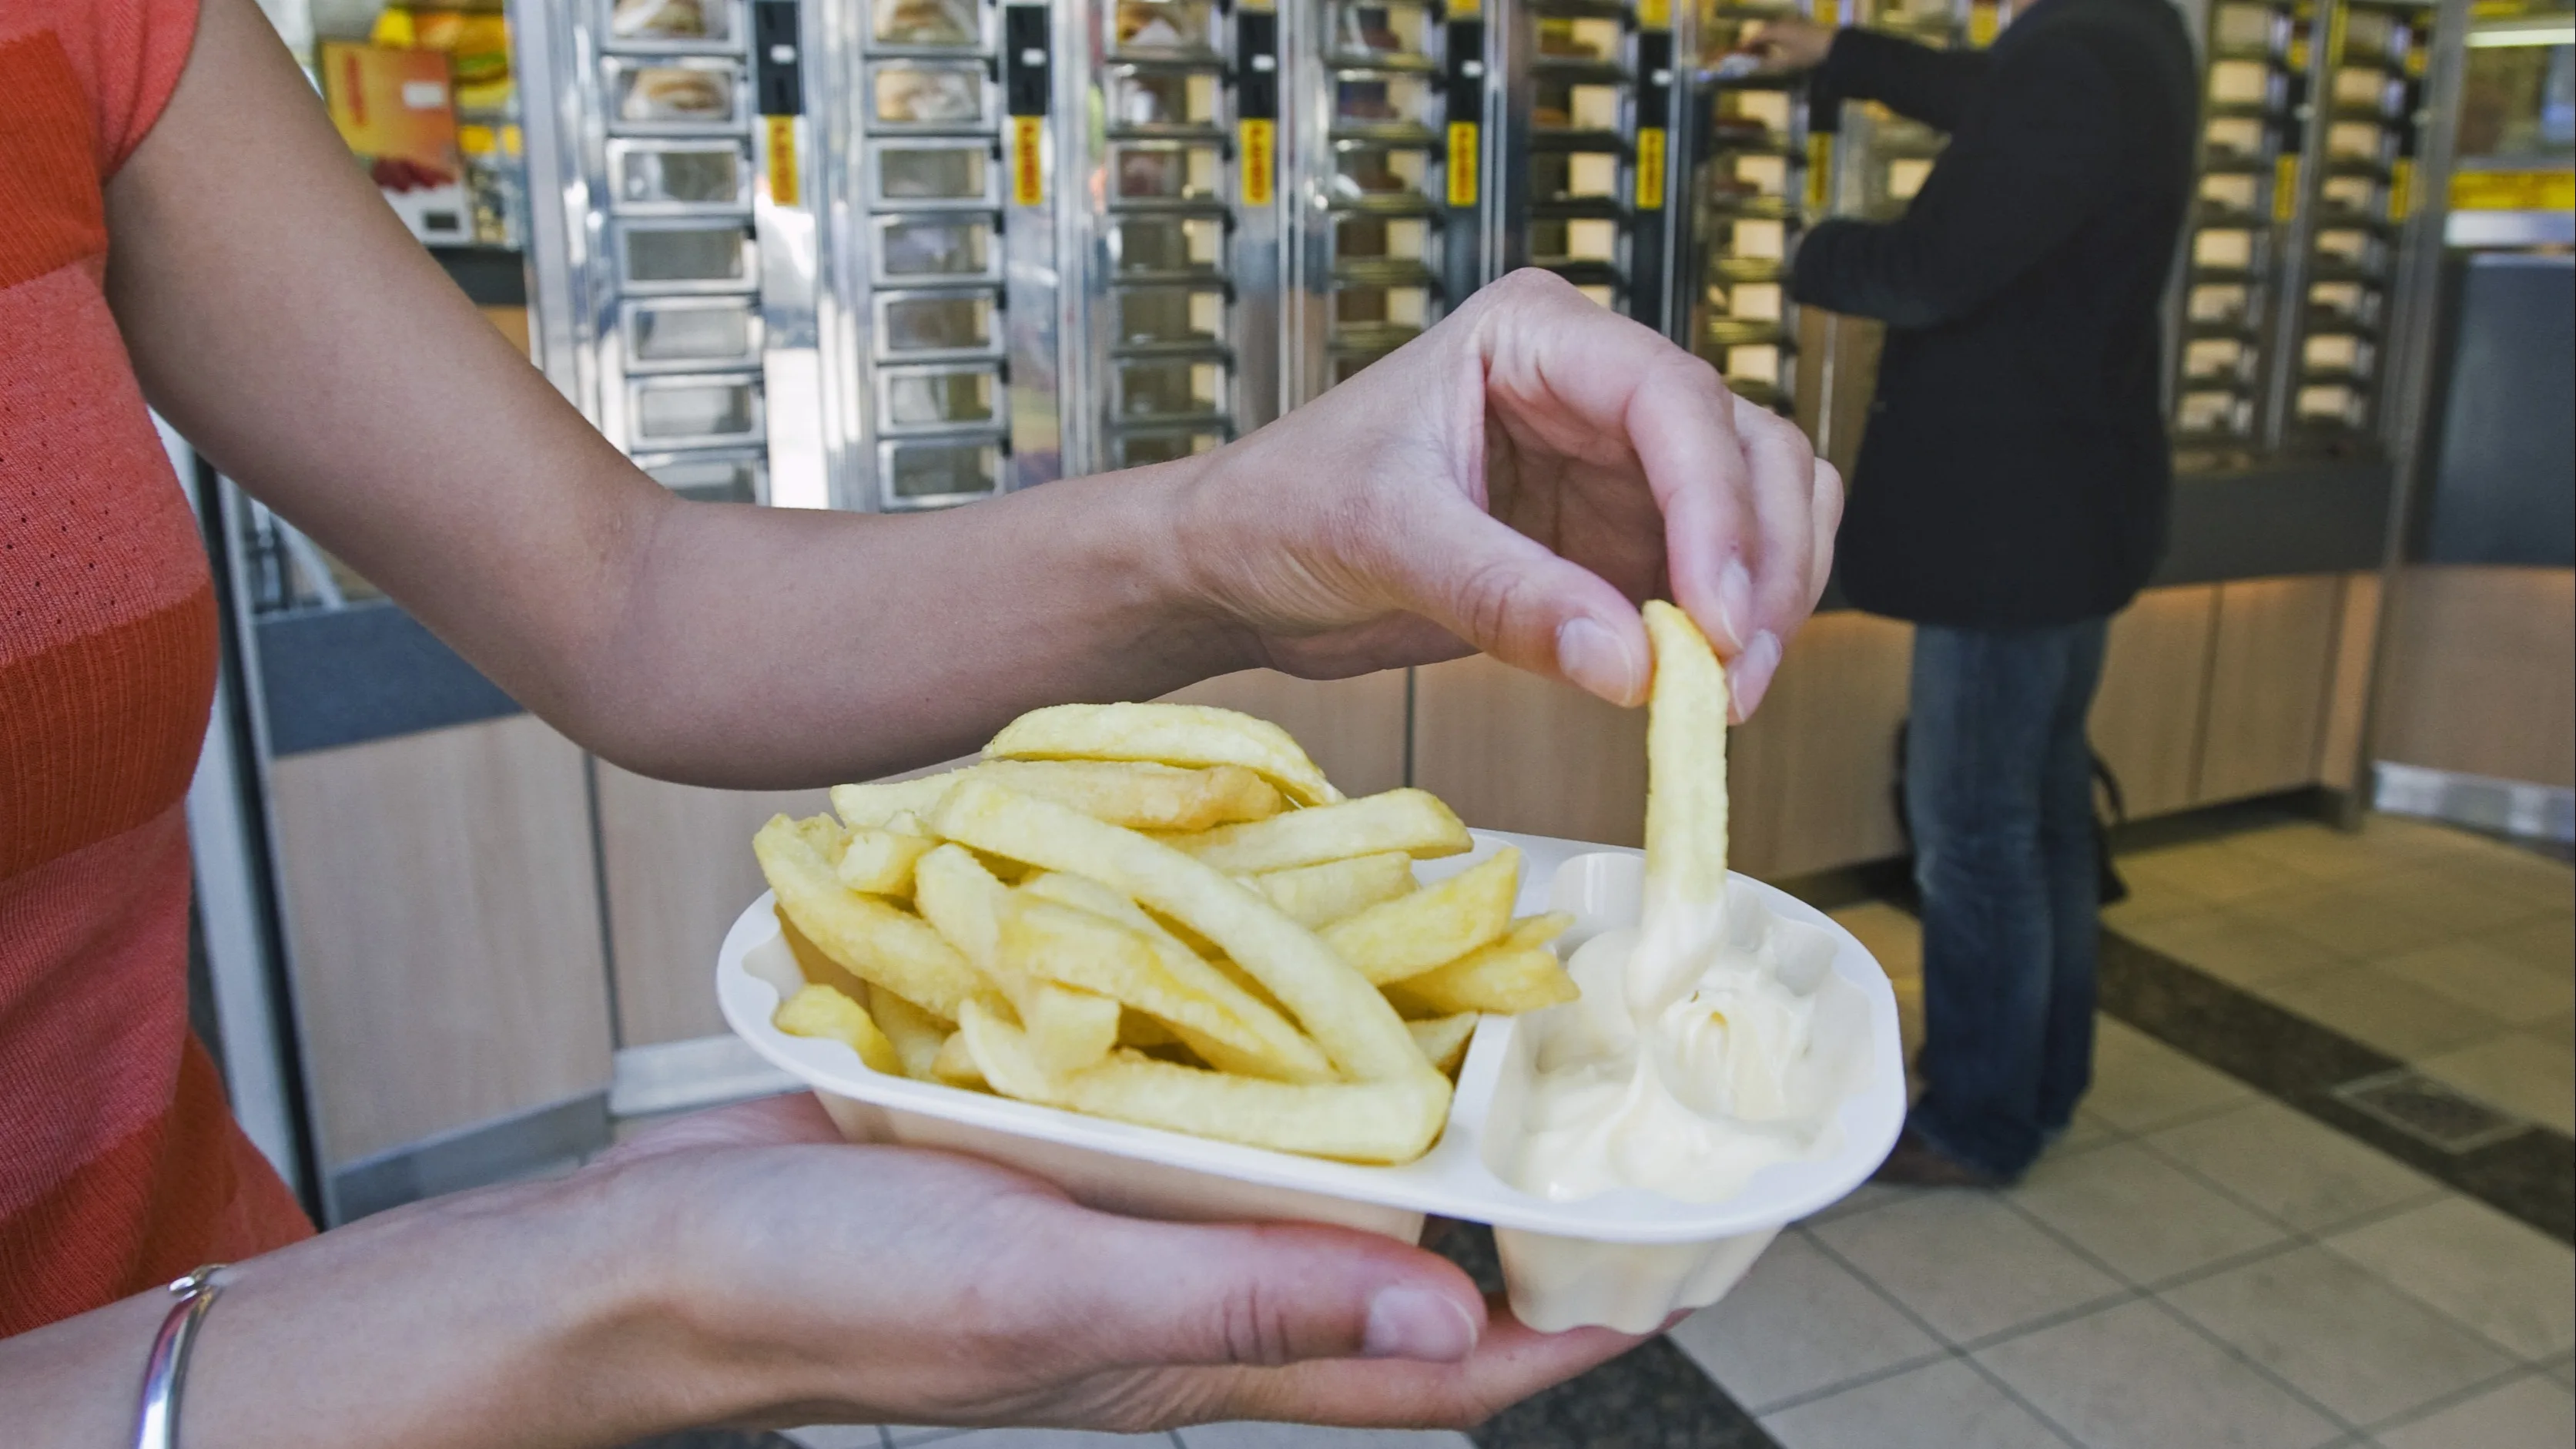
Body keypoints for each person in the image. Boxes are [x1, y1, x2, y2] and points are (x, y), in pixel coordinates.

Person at [0, 0, 1839, 1441]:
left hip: (242, 1298)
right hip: (286, 1377)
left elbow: (626, 596)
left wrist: (1234, 527)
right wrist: (598, 1295)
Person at [1745, 2, 2195, 1186]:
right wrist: (1841, 57)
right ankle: (2042, 1081)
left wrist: (1788, 241)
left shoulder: (2070, 56)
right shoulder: (2133, 33)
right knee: (2041, 814)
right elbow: (2001, 102)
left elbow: (1930, 273)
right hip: (2075, 509)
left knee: (1975, 835)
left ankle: (1978, 1118)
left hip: (2016, 529)